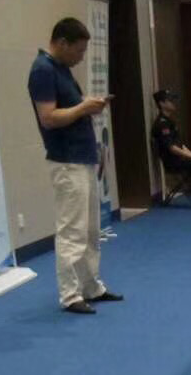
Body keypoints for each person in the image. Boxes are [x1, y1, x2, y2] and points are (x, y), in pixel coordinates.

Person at [28, 18, 123, 315]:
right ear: (62, 43)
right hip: (66, 161)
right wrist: (84, 107)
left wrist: (88, 104)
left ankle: (90, 286)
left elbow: (68, 108)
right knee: (72, 231)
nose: (81, 57)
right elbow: (48, 118)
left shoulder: (62, 69)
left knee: (91, 231)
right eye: (79, 51)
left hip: (83, 158)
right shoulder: (42, 70)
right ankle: (70, 295)